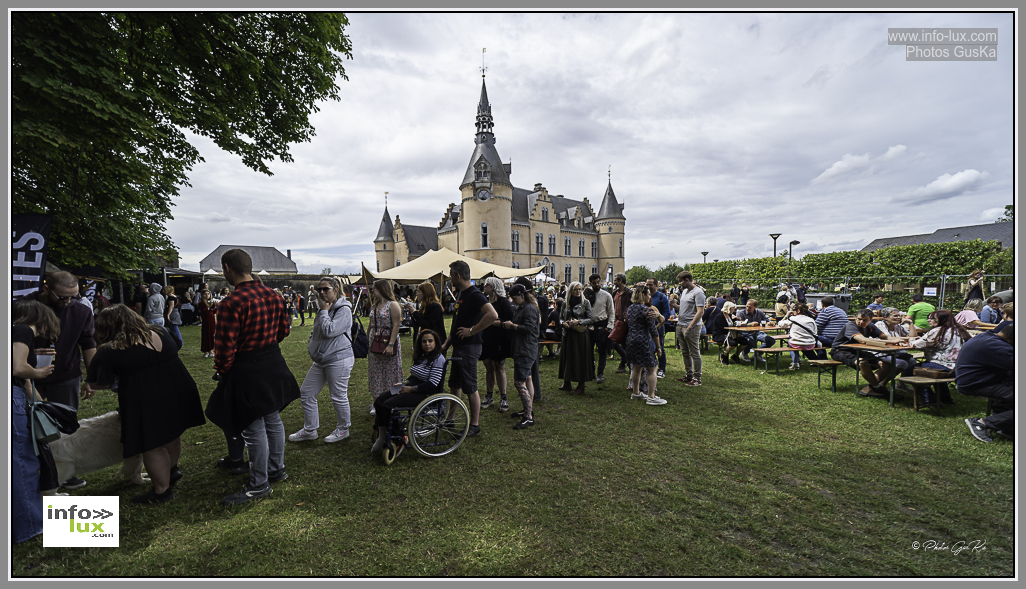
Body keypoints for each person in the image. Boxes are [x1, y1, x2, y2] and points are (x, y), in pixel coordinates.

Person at [206, 248, 300, 506]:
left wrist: (222, 370)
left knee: (253, 427)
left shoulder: (231, 303)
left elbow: (224, 348)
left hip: (247, 368)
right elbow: (284, 330)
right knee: (272, 418)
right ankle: (276, 469)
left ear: (227, 268)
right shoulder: (274, 295)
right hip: (272, 360)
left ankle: (259, 484)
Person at [85, 305, 205, 504]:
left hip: (145, 398)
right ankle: (172, 469)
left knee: (151, 445)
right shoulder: (160, 331)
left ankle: (162, 491)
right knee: (173, 433)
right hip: (178, 388)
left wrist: (90, 384)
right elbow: (176, 347)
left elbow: (102, 382)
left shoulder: (111, 349)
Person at [24, 271, 97, 490]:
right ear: (46, 289)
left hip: (65, 376)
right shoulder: (24, 307)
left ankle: (64, 472)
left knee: (64, 426)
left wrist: (91, 378)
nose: (68, 301)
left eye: (73, 296)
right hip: (27, 376)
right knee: (28, 425)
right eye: (62, 297)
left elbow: (88, 343)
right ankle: (31, 473)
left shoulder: (81, 310)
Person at [12, 299, 60, 542]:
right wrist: (39, 371)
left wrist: (41, 407)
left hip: (16, 397)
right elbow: (18, 369)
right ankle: (30, 525)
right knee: (22, 463)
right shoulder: (23, 330)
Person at [287, 277, 355, 444]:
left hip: (339, 358)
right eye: (319, 290)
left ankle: (343, 428)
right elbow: (316, 331)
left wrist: (324, 311)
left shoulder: (343, 310)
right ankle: (310, 430)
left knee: (338, 395)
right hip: (322, 358)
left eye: (326, 289)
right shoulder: (323, 308)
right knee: (307, 392)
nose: (322, 292)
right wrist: (312, 344)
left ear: (336, 290)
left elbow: (329, 331)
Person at [441, 260, 498, 438]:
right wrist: (445, 346)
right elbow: (457, 325)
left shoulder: (474, 294)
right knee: (455, 384)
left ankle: (474, 426)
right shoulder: (461, 294)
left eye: (451, 275)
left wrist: (472, 331)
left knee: (470, 386)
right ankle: (450, 419)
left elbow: (492, 315)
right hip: (459, 347)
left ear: (458, 276)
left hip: (470, 348)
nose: (450, 278)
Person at [370, 329, 448, 452]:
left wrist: (411, 389)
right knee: (379, 400)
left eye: (430, 341)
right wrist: (404, 383)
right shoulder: (422, 356)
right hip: (411, 386)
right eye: (424, 341)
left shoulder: (439, 359)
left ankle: (399, 436)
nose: (427, 344)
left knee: (387, 405)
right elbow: (415, 375)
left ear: (436, 342)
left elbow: (433, 383)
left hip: (425, 393)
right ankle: (383, 433)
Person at [829, 309, 905, 398]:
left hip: (857, 350)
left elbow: (885, 337)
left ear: (870, 320)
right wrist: (893, 342)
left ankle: (870, 388)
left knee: (887, 365)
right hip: (840, 350)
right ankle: (878, 388)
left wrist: (901, 340)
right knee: (863, 363)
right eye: (859, 319)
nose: (861, 322)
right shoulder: (850, 325)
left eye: (865, 320)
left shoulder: (870, 326)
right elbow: (863, 339)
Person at [959, 325, 1014, 443]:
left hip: (978, 380)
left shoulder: (986, 337)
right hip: (978, 384)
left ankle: (1006, 427)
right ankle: (982, 423)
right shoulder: (999, 347)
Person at [907, 310, 969, 405]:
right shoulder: (960, 330)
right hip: (960, 369)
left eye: (932, 318)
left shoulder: (937, 331)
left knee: (908, 371)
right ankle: (946, 399)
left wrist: (911, 339)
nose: (928, 320)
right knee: (936, 372)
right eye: (928, 318)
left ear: (942, 320)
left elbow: (915, 345)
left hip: (945, 367)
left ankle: (930, 400)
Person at [503, 284, 540, 429]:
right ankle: (527, 409)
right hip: (523, 348)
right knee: (526, 379)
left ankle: (528, 417)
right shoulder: (523, 307)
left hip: (526, 349)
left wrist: (512, 326)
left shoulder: (529, 308)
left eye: (514, 298)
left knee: (519, 382)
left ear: (522, 295)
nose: (512, 301)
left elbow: (530, 329)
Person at [367, 279, 403, 416]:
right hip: (374, 341)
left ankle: (392, 399)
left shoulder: (392, 305)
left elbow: (396, 325)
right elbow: (370, 324)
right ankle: (376, 401)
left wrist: (391, 344)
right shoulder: (375, 305)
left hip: (388, 341)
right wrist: (366, 340)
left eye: (374, 287)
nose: (372, 290)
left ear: (382, 288)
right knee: (375, 373)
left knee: (391, 372)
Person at [625, 285, 664, 405]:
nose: (649, 296)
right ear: (643, 295)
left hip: (630, 340)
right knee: (652, 368)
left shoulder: (630, 308)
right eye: (648, 294)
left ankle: (636, 392)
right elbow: (654, 331)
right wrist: (658, 347)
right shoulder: (647, 310)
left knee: (636, 367)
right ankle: (651, 396)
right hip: (643, 341)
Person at [480, 277, 513, 412]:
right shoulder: (485, 301)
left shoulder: (503, 302)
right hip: (486, 338)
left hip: (499, 339)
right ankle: (489, 395)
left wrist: (490, 322)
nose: (484, 286)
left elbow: (508, 322)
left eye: (487, 285)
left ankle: (503, 397)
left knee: (499, 367)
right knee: (488, 367)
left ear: (493, 287)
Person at [557, 281, 595, 395]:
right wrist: (563, 323)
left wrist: (579, 321)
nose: (578, 291)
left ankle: (581, 386)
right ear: (570, 291)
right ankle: (567, 382)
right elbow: (560, 318)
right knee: (567, 357)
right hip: (567, 334)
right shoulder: (565, 302)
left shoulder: (585, 302)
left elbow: (591, 319)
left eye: (580, 289)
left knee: (580, 359)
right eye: (576, 289)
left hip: (580, 335)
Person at [673, 271, 706, 386]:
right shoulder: (685, 291)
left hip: (691, 327)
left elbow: (700, 312)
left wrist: (690, 326)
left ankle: (697, 378)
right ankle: (689, 375)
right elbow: (682, 308)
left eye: (681, 281)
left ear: (687, 280)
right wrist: (674, 305)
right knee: (685, 353)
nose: (679, 284)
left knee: (694, 353)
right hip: (681, 325)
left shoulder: (698, 293)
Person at [872, 307, 917, 382]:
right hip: (881, 352)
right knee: (902, 363)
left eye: (899, 315)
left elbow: (912, 336)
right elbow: (888, 338)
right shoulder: (880, 324)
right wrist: (908, 339)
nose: (899, 317)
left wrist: (910, 323)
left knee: (912, 362)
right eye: (895, 316)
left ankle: (901, 384)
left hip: (896, 352)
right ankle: (883, 383)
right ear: (885, 317)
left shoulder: (898, 326)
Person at [587, 274, 615, 384]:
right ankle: (591, 371)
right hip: (590, 326)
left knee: (602, 351)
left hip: (602, 326)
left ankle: (600, 373)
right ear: (591, 283)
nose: (597, 284)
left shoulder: (606, 295)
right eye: (594, 283)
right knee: (589, 351)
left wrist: (609, 326)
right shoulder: (586, 295)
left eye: (598, 282)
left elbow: (611, 312)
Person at [778, 303, 819, 370]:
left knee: (790, 343)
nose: (792, 311)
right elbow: (815, 332)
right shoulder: (811, 320)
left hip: (796, 343)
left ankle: (795, 363)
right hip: (810, 343)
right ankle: (812, 360)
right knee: (800, 343)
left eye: (794, 309)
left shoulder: (793, 318)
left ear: (798, 310)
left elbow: (780, 324)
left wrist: (786, 316)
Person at [646, 277, 671, 379]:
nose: (648, 287)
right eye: (647, 285)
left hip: (658, 328)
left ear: (656, 285)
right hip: (646, 328)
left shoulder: (662, 297)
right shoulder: (644, 296)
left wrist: (658, 326)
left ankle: (661, 369)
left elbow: (667, 315)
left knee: (659, 347)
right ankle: (650, 367)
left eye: (650, 285)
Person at [610, 273, 631, 373]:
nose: (614, 282)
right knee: (613, 340)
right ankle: (626, 360)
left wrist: (627, 315)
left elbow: (632, 306)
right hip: (616, 321)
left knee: (624, 343)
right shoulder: (615, 292)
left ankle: (623, 364)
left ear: (620, 281)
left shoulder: (629, 293)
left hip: (625, 321)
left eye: (615, 280)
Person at [163, 285, 184, 350]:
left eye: (164, 290)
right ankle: (178, 341)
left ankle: (179, 342)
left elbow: (171, 306)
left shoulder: (171, 298)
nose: (163, 291)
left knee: (174, 328)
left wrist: (168, 314)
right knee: (174, 328)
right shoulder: (174, 296)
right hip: (175, 312)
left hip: (173, 313)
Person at [198, 289, 217, 358]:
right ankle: (206, 351)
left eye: (208, 294)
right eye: (205, 294)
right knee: (206, 335)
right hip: (206, 321)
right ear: (202, 295)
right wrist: (213, 307)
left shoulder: (210, 302)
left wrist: (217, 306)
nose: (207, 295)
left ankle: (210, 350)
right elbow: (207, 313)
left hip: (212, 320)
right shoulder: (201, 303)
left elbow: (213, 312)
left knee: (212, 335)